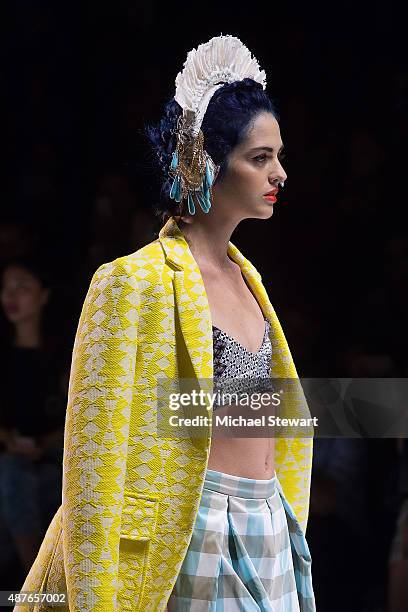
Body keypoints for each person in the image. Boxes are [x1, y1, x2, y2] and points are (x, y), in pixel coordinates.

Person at [17, 36, 315, 611]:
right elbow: (94, 463)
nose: (279, 172)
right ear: (205, 161)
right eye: (260, 158)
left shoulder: (249, 280)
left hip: (272, 525)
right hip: (190, 528)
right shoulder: (133, 282)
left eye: (278, 155)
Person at [0, 257, 65, 577]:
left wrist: (45, 443)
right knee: (12, 472)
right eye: (6, 289)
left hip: (55, 455)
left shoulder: (65, 355)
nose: (10, 296)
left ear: (43, 295)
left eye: (22, 287)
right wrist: (8, 439)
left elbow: (77, 414)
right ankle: (33, 582)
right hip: (11, 461)